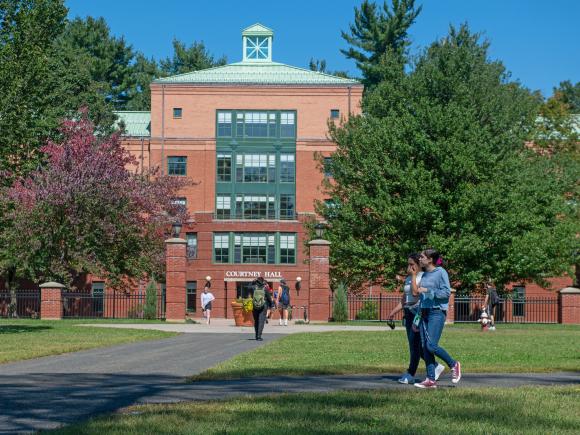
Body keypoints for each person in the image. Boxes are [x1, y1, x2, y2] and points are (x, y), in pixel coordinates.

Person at [387, 253, 445, 385]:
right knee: (416, 346)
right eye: (408, 264)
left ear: (419, 265)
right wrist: (393, 312)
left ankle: (411, 373)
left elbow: (415, 293)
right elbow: (405, 298)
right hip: (408, 313)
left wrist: (413, 276)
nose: (409, 267)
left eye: (412, 264)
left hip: (418, 313)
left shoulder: (423, 278)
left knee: (416, 346)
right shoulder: (408, 278)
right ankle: (435, 366)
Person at [414, 249, 462, 389]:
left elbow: (446, 293)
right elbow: (422, 300)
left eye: (422, 257)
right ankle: (430, 379)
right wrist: (417, 319)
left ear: (430, 259)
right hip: (424, 313)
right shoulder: (424, 275)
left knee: (431, 345)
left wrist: (429, 291)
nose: (420, 259)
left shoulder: (441, 272)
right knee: (424, 348)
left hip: (436, 313)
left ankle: (453, 364)